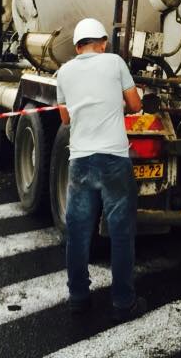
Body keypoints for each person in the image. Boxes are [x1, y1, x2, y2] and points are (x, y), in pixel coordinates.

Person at [55, 18, 145, 322]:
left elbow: (65, 119)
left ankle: (78, 298)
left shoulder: (64, 73)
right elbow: (134, 106)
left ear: (78, 45)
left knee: (78, 234)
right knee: (120, 234)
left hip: (80, 162)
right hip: (114, 161)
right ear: (103, 42)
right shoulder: (114, 62)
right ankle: (123, 301)